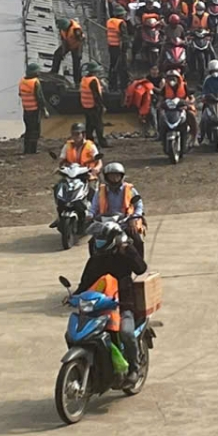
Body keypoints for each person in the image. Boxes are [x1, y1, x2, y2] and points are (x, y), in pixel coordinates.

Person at [78, 221, 148, 385]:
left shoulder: (124, 256)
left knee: (126, 333)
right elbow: (84, 283)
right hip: (98, 307)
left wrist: (129, 250)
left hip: (123, 305)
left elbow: (141, 268)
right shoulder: (95, 260)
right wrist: (73, 296)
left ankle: (134, 368)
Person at [90, 162, 146, 255]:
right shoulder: (100, 190)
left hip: (125, 222)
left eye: (117, 176)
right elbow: (94, 206)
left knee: (138, 241)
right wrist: (90, 215)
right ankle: (94, 266)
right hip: (106, 224)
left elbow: (139, 205)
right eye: (111, 176)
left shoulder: (130, 189)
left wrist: (134, 218)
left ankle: (141, 266)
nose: (114, 179)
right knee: (92, 242)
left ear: (121, 176)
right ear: (106, 177)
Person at [19, 62, 48, 156]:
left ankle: (26, 150)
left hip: (26, 110)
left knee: (28, 130)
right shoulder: (35, 82)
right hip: (34, 110)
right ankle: (33, 150)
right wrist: (44, 110)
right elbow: (40, 97)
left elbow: (20, 94)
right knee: (35, 131)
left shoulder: (22, 81)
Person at [79, 63, 107, 145]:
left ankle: (89, 140)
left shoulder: (84, 79)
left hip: (85, 105)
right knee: (98, 125)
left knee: (89, 124)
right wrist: (102, 106)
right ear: (94, 72)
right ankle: (102, 142)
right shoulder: (93, 80)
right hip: (93, 106)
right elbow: (96, 95)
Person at [51, 17, 85, 85]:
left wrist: (79, 53)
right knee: (57, 54)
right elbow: (63, 40)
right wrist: (63, 52)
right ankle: (54, 72)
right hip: (68, 43)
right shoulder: (62, 28)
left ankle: (77, 81)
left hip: (76, 46)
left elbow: (81, 41)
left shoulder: (76, 29)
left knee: (76, 64)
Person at [106, 6, 131, 91]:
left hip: (111, 46)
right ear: (120, 15)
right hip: (118, 48)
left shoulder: (109, 21)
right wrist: (125, 50)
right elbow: (125, 38)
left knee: (112, 65)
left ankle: (112, 83)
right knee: (122, 66)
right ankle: (124, 85)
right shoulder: (121, 23)